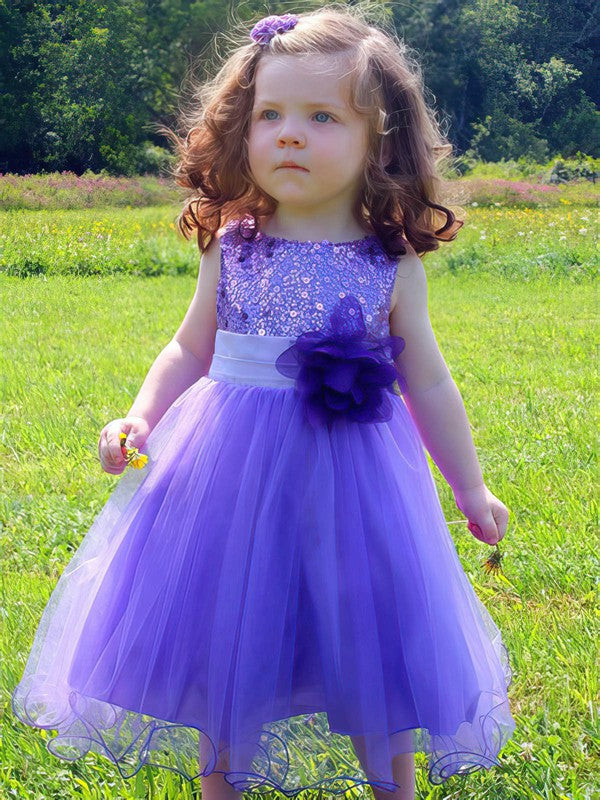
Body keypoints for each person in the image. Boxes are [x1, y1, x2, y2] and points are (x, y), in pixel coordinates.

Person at [11, 6, 516, 800]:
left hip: (356, 487)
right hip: (229, 477)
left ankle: (392, 787)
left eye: (322, 118)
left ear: (379, 141)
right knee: (229, 635)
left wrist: (469, 486)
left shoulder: (390, 266)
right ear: (241, 128)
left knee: (366, 634)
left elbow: (427, 381)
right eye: (270, 115)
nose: (289, 135)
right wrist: (141, 415)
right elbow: (190, 348)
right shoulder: (233, 247)